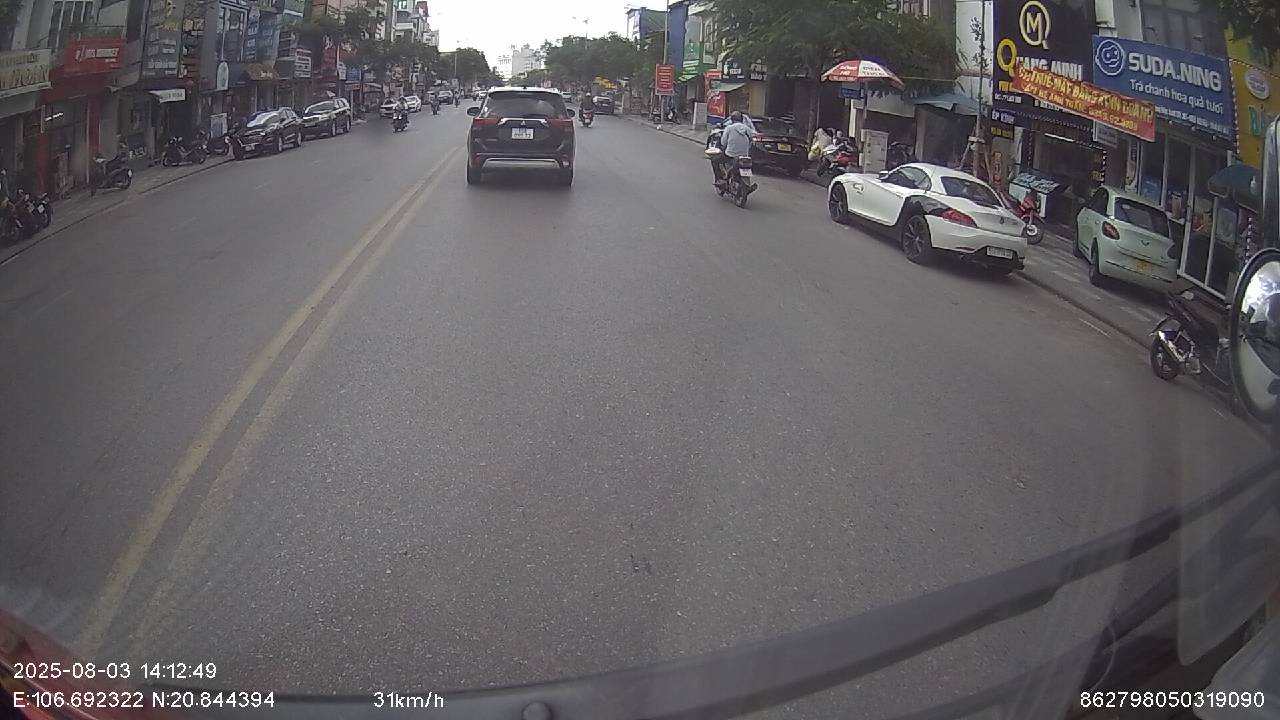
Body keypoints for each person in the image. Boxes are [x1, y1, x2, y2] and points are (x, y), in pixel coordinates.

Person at [712, 111, 754, 188]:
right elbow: (751, 139)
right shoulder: (747, 129)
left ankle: (720, 179)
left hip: (731, 154)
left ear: (732, 120)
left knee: (715, 161)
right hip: (744, 155)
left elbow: (723, 142)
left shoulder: (729, 128)